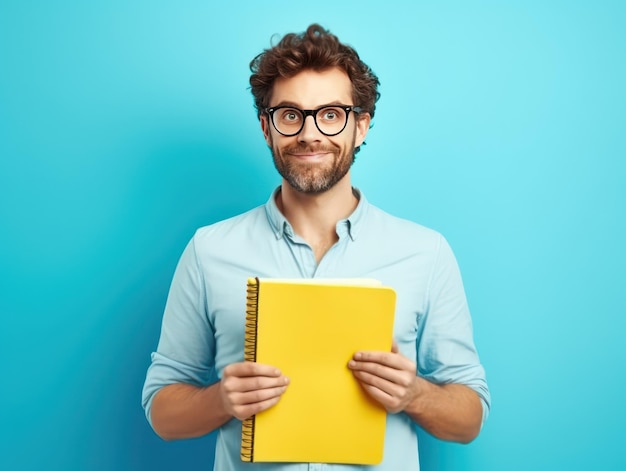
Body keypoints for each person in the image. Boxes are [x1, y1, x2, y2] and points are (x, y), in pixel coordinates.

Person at [142, 23, 490, 470]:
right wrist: (220, 400)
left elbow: (470, 419)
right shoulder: (209, 250)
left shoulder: (425, 252)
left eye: (330, 114)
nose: (309, 133)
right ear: (267, 128)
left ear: (360, 126)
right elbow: (162, 412)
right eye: (290, 114)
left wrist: (415, 394)